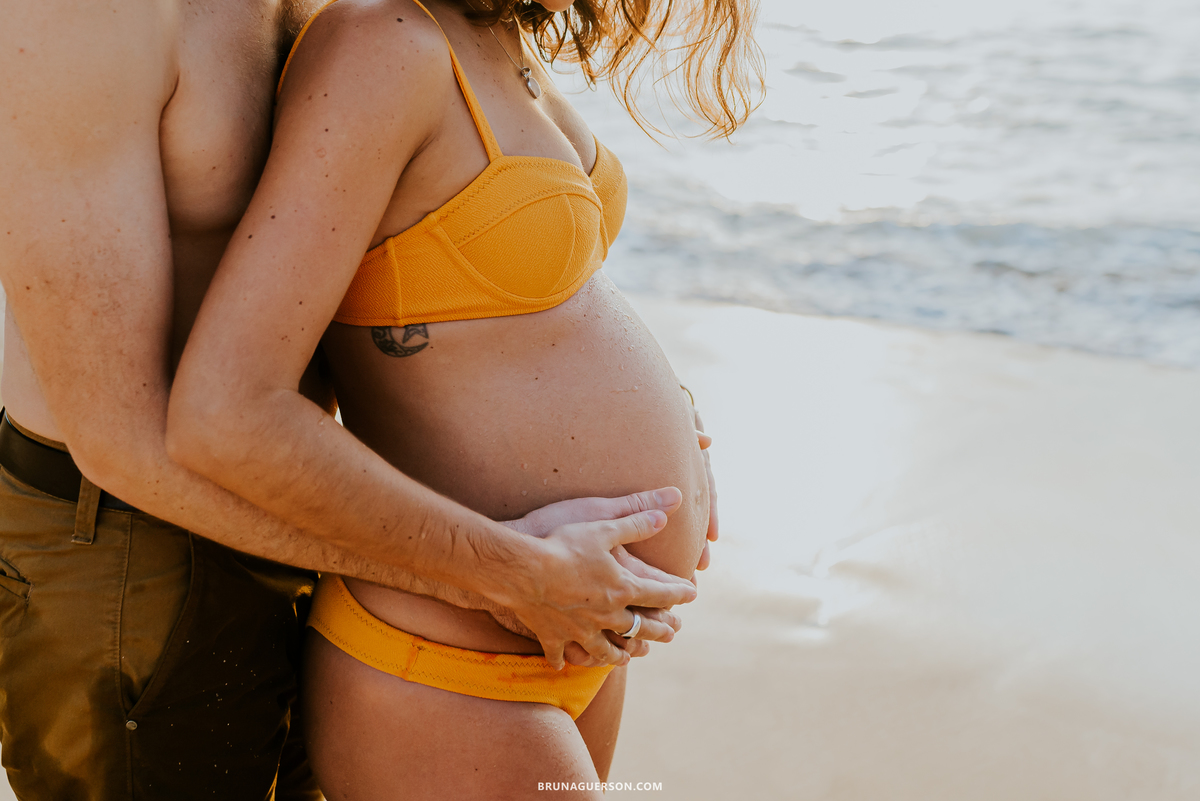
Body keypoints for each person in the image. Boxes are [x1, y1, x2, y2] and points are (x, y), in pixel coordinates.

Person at [0, 1, 714, 798]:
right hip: (135, 549)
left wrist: (648, 409)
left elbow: (426, 258)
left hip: (352, 523)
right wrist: (500, 571)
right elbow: (121, 437)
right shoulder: (79, 19)